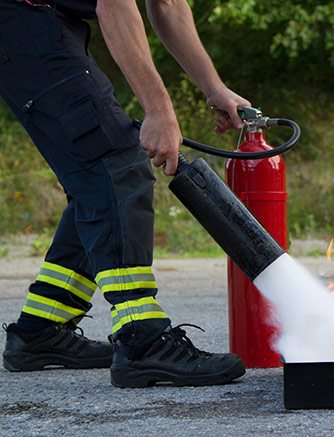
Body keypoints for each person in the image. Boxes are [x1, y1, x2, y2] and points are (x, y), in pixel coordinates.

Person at [0, 0, 249, 387]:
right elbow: (114, 6)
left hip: (45, 22)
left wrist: (213, 87)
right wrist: (159, 111)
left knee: (97, 177)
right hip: (21, 19)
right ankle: (143, 341)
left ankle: (40, 329)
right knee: (114, 163)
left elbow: (167, 4)